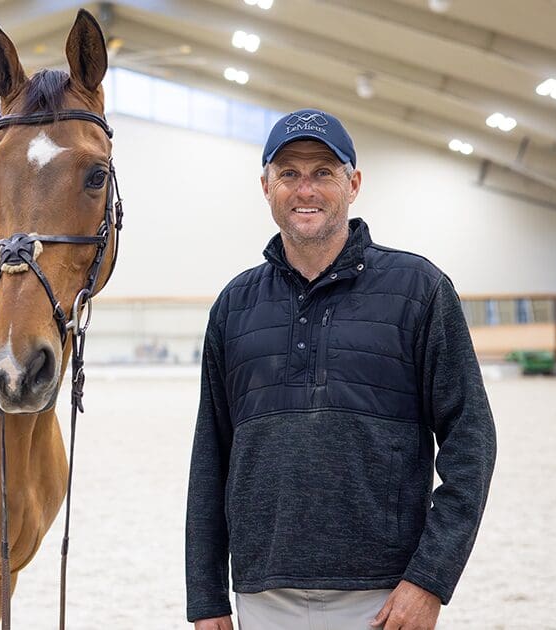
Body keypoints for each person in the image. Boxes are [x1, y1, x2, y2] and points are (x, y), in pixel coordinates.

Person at [185, 109, 496, 630]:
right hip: (264, 592)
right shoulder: (234, 306)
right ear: (266, 187)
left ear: (353, 183)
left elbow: (473, 442)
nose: (305, 189)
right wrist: (206, 596)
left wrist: (429, 580)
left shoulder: (420, 290)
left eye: (323, 173)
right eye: (289, 174)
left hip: (384, 597)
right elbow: (210, 456)